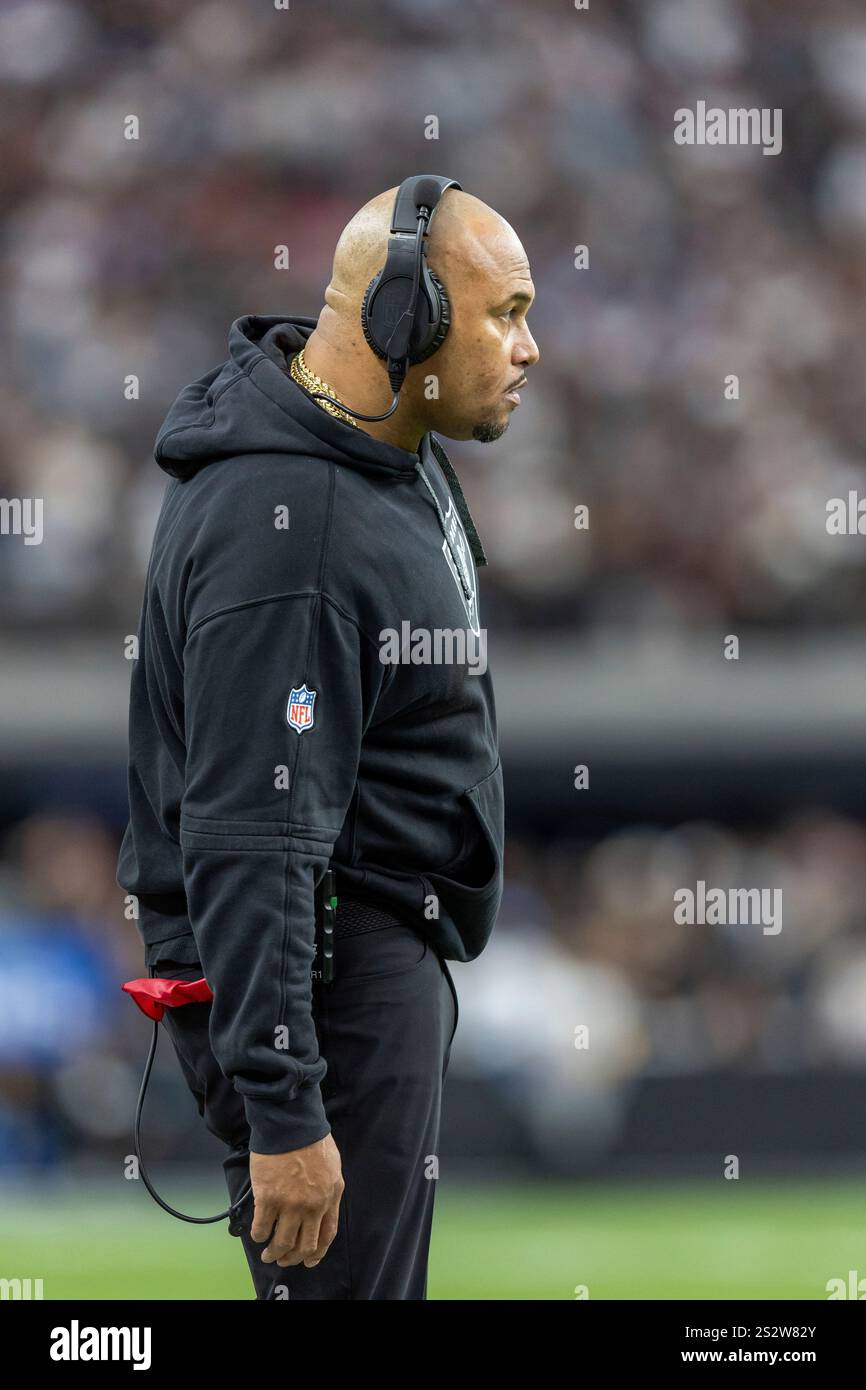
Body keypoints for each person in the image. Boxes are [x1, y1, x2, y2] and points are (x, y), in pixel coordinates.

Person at [117, 176, 539, 1299]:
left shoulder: (377, 450)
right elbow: (251, 835)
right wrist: (284, 1102)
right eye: (503, 312)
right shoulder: (290, 530)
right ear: (408, 319)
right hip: (326, 983)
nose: (527, 347)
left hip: (353, 960)